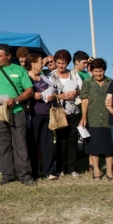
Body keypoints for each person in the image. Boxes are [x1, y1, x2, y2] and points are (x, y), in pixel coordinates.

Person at [0, 44, 36, 186]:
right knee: (2, 146)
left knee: (21, 144)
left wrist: (17, 100)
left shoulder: (19, 70)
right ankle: (7, 175)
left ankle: (25, 175)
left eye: (0, 56)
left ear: (9, 56)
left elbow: (29, 90)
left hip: (17, 112)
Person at [78, 58, 113, 181]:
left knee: (109, 147)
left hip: (108, 118)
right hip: (92, 117)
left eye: (101, 71)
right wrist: (84, 117)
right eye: (96, 71)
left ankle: (109, 171)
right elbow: (84, 100)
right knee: (93, 146)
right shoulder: (87, 82)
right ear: (91, 71)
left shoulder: (111, 82)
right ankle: (97, 171)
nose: (99, 74)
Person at [48, 49, 83, 178]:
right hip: (59, 111)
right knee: (61, 140)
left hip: (74, 111)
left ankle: (72, 168)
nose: (60, 66)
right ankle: (61, 168)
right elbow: (49, 95)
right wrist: (62, 95)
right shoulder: (50, 76)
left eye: (63, 63)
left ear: (68, 63)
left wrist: (75, 93)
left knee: (73, 139)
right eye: (58, 63)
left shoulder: (74, 74)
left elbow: (81, 90)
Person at [24, 53, 58, 180]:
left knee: (48, 142)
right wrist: (33, 96)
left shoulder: (43, 77)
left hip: (47, 112)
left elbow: (54, 89)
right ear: (33, 64)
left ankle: (48, 170)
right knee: (32, 143)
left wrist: (52, 96)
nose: (42, 65)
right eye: (40, 62)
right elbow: (23, 92)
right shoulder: (26, 77)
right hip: (33, 113)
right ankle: (32, 171)